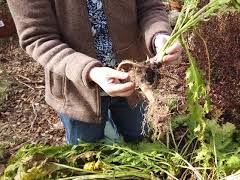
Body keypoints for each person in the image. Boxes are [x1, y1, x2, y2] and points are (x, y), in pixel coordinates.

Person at [7, 0, 182, 144]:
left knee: (139, 135)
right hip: (77, 90)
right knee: (89, 150)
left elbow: (149, 6)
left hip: (135, 79)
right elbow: (38, 37)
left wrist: (159, 36)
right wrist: (91, 71)